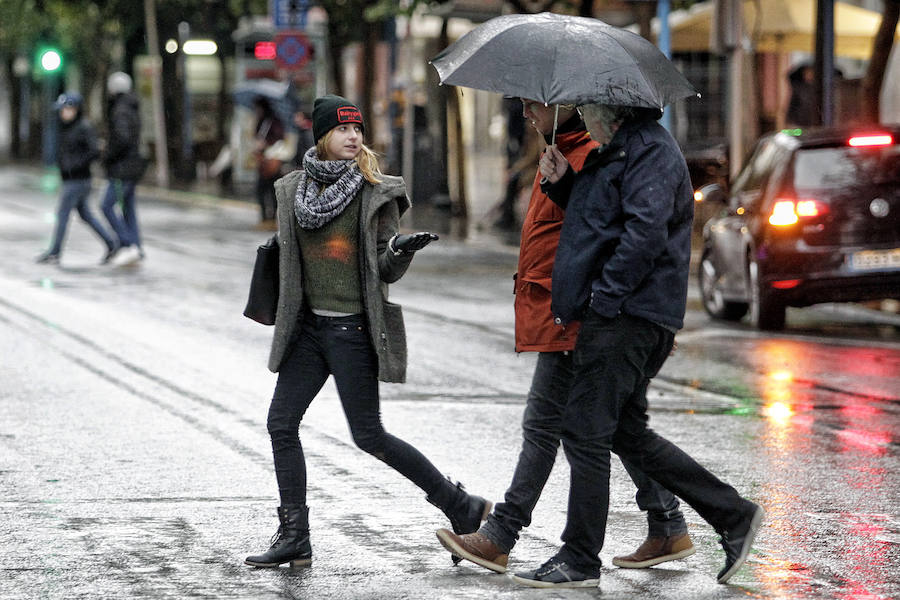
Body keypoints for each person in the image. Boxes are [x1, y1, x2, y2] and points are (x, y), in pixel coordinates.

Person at [502, 103, 764, 588]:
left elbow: (643, 232)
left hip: (628, 317)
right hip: (625, 314)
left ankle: (580, 558)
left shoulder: (651, 152)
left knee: (584, 432)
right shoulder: (621, 150)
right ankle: (733, 515)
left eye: (592, 104)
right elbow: (600, 215)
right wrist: (562, 183)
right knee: (625, 432)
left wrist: (605, 296)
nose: (586, 112)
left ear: (614, 105)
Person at [436, 101, 694, 574]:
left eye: (534, 105)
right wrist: (559, 183)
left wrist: (612, 307)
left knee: (548, 426)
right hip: (567, 309)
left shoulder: (601, 150)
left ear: (565, 106)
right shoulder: (565, 153)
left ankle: (503, 535)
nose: (528, 115)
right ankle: (667, 522)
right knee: (614, 429)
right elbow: (583, 221)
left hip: (579, 314)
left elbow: (617, 236)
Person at [244, 94, 491, 568]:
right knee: (281, 423)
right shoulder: (292, 190)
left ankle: (458, 504)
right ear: (322, 135)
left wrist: (399, 250)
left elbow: (385, 268)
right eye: (342, 129)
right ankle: (295, 534)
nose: (354, 136)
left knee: (369, 435)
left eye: (357, 128)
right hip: (308, 330)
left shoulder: (375, 191)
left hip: (353, 330)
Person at [36, 93, 117, 265]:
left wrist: (75, 165)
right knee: (86, 214)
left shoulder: (84, 127)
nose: (63, 113)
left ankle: (55, 251)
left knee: (63, 214)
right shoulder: (68, 127)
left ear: (75, 109)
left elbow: (94, 151)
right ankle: (111, 243)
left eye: (67, 109)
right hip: (71, 178)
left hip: (78, 180)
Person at [101, 71, 146, 266]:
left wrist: (108, 155)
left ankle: (127, 243)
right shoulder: (131, 107)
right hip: (131, 165)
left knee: (106, 205)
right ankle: (135, 245)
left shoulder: (120, 110)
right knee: (128, 208)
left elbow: (122, 139)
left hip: (122, 167)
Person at [252, 97, 286, 228]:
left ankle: (272, 219)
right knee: (260, 189)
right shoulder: (261, 122)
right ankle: (264, 217)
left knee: (272, 190)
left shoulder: (275, 122)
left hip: (273, 160)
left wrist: (265, 144)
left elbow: (279, 139)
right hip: (262, 160)